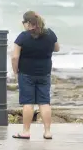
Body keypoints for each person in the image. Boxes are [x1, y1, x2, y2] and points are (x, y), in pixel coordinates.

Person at [11, 11, 60, 140]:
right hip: (44, 73)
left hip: (26, 73)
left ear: (28, 23)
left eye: (24, 22)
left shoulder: (23, 37)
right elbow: (57, 48)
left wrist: (15, 72)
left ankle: (26, 131)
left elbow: (15, 57)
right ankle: (48, 132)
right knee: (44, 102)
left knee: (28, 103)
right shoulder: (50, 34)